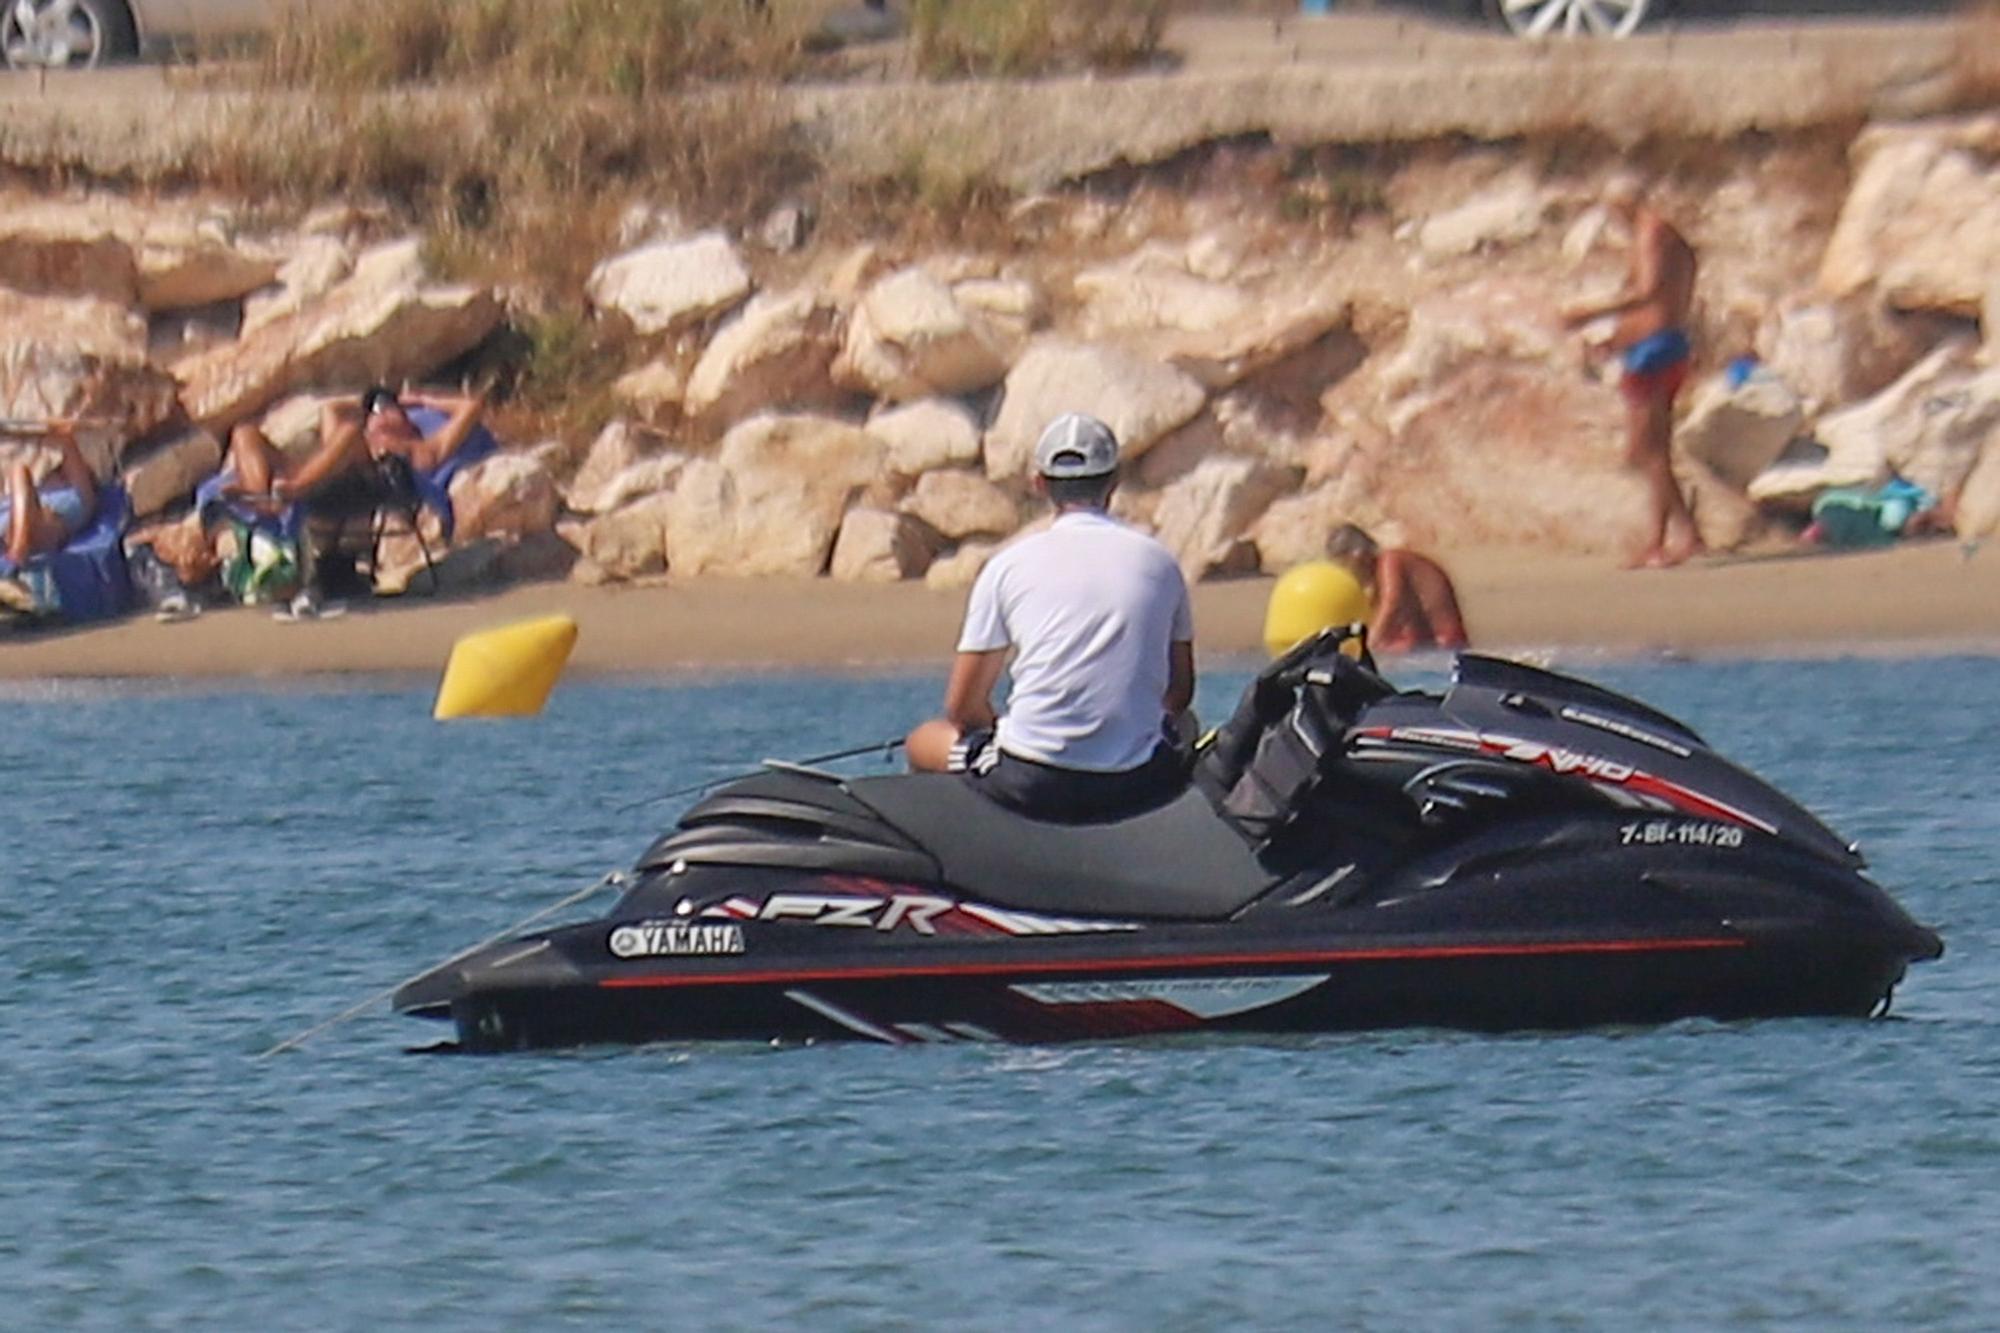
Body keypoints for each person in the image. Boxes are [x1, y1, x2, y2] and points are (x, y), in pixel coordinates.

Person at [905, 412, 1195, 821]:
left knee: (923, 741)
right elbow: (1179, 694)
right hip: (1136, 782)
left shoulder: (1007, 565)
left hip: (1029, 779)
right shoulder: (1161, 562)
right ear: (1114, 480)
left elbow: (962, 707)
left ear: (1039, 483)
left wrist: (1003, 728)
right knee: (1188, 727)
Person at [1563, 175, 1703, 569]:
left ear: (1622, 204)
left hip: (1653, 351)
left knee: (1646, 450)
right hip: (1658, 345)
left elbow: (1647, 293)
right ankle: (1673, 537)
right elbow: (1657, 305)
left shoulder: (1651, 232)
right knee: (1652, 449)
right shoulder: (1667, 236)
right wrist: (1615, 339)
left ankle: (1673, 538)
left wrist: (1588, 313)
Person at [1325, 523, 1468, 654]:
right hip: (1429, 645)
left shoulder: (1390, 562)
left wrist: (1369, 644)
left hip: (1446, 645)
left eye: (1345, 565)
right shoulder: (1378, 580)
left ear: (1358, 555)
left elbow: (1392, 604)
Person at [4, 421, 97, 568]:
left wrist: (51, 430)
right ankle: (19, 544)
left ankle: (19, 545)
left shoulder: (78, 499)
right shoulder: (75, 502)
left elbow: (66, 443)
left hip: (32, 533)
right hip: (19, 532)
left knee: (19, 473)